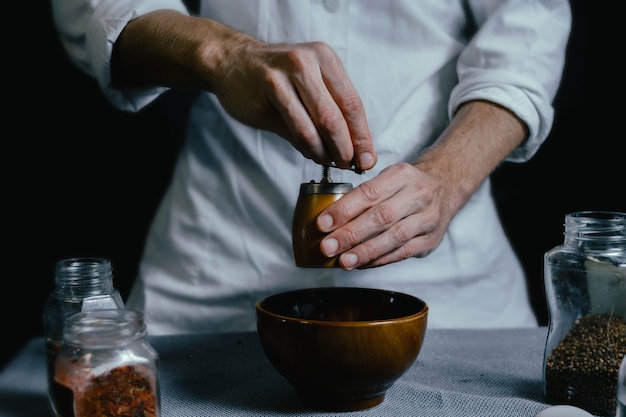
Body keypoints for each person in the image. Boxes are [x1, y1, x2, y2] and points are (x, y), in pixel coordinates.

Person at [50, 0, 571, 334]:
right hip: (215, 273)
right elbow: (93, 8)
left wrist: (446, 178)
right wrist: (221, 54)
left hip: (454, 296)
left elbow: (528, 33)